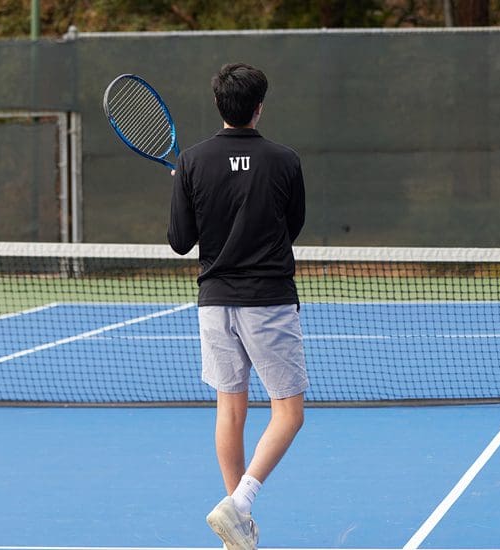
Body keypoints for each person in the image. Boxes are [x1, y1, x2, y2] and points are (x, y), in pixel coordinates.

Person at [168, 63, 308, 550]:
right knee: (289, 413)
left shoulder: (190, 162)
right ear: (259, 106)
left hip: (215, 303)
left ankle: (237, 524)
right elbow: (293, 226)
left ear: (219, 106)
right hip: (268, 300)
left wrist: (188, 190)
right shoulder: (285, 160)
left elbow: (180, 242)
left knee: (231, 409)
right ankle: (240, 505)